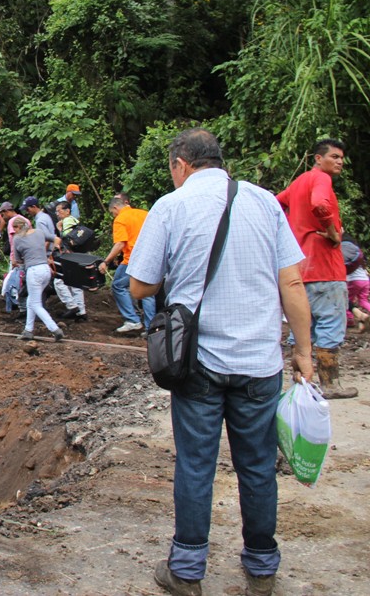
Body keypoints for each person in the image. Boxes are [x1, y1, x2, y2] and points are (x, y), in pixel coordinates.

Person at [127, 128, 314, 596]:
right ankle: (262, 568)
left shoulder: (171, 207)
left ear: (179, 165)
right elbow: (291, 284)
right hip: (260, 362)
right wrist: (304, 353)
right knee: (257, 467)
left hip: (199, 362)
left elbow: (139, 287)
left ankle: (187, 571)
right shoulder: (265, 202)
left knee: (195, 465)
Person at [276, 138, 357, 399]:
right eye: (334, 156)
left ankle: (300, 381)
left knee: (303, 327)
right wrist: (334, 233)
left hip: (300, 269)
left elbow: (276, 203)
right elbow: (321, 204)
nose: (339, 161)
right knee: (331, 323)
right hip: (325, 266)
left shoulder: (299, 182)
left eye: (341, 158)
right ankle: (330, 384)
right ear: (318, 159)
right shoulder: (321, 179)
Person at [98, 194, 155, 333]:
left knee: (117, 285)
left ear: (116, 207)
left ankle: (132, 320)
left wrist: (106, 261)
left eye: (113, 212)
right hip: (151, 257)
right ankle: (151, 327)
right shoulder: (145, 214)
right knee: (147, 291)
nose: (113, 215)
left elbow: (120, 243)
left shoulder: (121, 219)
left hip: (133, 260)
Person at [11, 219, 63, 341]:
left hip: (34, 271)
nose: (14, 232)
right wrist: (55, 248)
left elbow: (18, 260)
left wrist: (16, 263)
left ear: (18, 227)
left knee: (35, 304)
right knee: (31, 300)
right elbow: (56, 238)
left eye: (15, 229)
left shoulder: (17, 239)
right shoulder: (39, 232)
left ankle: (54, 329)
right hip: (45, 269)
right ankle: (28, 330)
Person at [54, 200, 87, 321]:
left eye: (59, 211)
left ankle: (72, 306)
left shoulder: (67, 221)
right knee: (75, 283)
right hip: (77, 256)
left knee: (58, 281)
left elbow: (67, 240)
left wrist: (59, 229)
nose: (57, 214)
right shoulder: (75, 220)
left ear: (67, 211)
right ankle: (81, 312)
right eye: (56, 211)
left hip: (69, 256)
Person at [342, 238, 369, 331]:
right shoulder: (359, 257)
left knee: (347, 299)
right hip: (365, 280)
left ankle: (349, 319)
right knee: (363, 301)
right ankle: (363, 316)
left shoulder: (347, 257)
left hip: (354, 281)